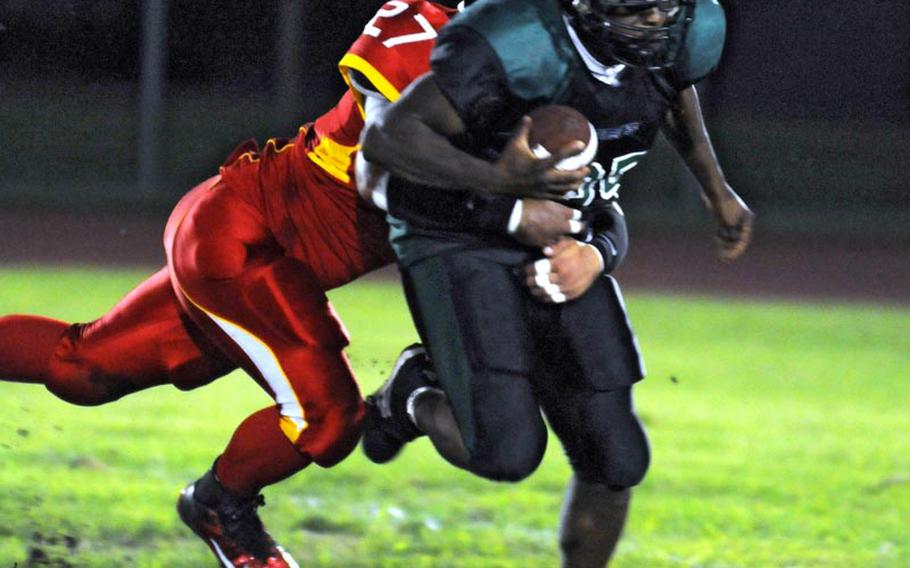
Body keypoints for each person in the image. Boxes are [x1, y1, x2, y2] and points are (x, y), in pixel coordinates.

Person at [0, 2, 576, 566]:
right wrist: (500, 190)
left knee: (83, 370)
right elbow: (388, 157)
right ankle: (220, 506)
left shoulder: (544, 56)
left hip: (268, 253)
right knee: (328, 418)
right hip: (245, 236)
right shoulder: (423, 24)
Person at [357, 0, 754, 566]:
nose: (660, 23)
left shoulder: (682, 35)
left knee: (616, 459)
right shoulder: (515, 38)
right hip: (457, 231)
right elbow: (391, 138)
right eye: (641, 9)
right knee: (505, 451)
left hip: (565, 225)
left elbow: (670, 85)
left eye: (670, 5)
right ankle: (410, 397)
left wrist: (715, 189)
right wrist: (499, 183)